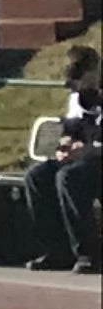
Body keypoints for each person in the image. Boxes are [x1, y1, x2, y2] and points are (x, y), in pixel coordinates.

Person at [20, 43, 103, 273]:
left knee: (69, 177)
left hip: (97, 158)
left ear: (94, 70)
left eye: (78, 79)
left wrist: (88, 150)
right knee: (37, 176)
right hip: (86, 157)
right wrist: (65, 144)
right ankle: (56, 250)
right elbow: (72, 128)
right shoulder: (77, 98)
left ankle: (89, 253)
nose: (74, 87)